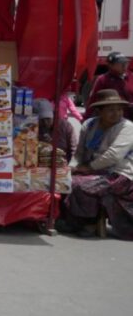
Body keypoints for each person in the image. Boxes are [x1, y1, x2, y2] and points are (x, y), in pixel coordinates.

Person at [62, 89, 133, 239]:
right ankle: (73, 220)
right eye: (111, 110)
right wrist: (72, 166)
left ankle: (90, 222)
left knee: (82, 185)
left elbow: (113, 156)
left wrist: (88, 168)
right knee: (65, 180)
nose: (117, 113)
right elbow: (79, 152)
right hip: (93, 169)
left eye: (119, 109)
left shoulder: (127, 127)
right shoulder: (89, 124)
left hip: (120, 173)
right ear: (99, 111)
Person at [88, 52, 133, 119]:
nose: (124, 66)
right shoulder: (103, 79)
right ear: (111, 65)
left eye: (126, 63)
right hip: (114, 118)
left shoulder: (131, 76)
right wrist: (86, 118)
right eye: (120, 63)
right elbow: (93, 99)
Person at [34, 98, 79, 163]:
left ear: (53, 116)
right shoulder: (34, 128)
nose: (45, 123)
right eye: (42, 120)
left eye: (48, 119)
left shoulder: (66, 126)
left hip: (62, 164)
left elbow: (74, 149)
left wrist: (71, 165)